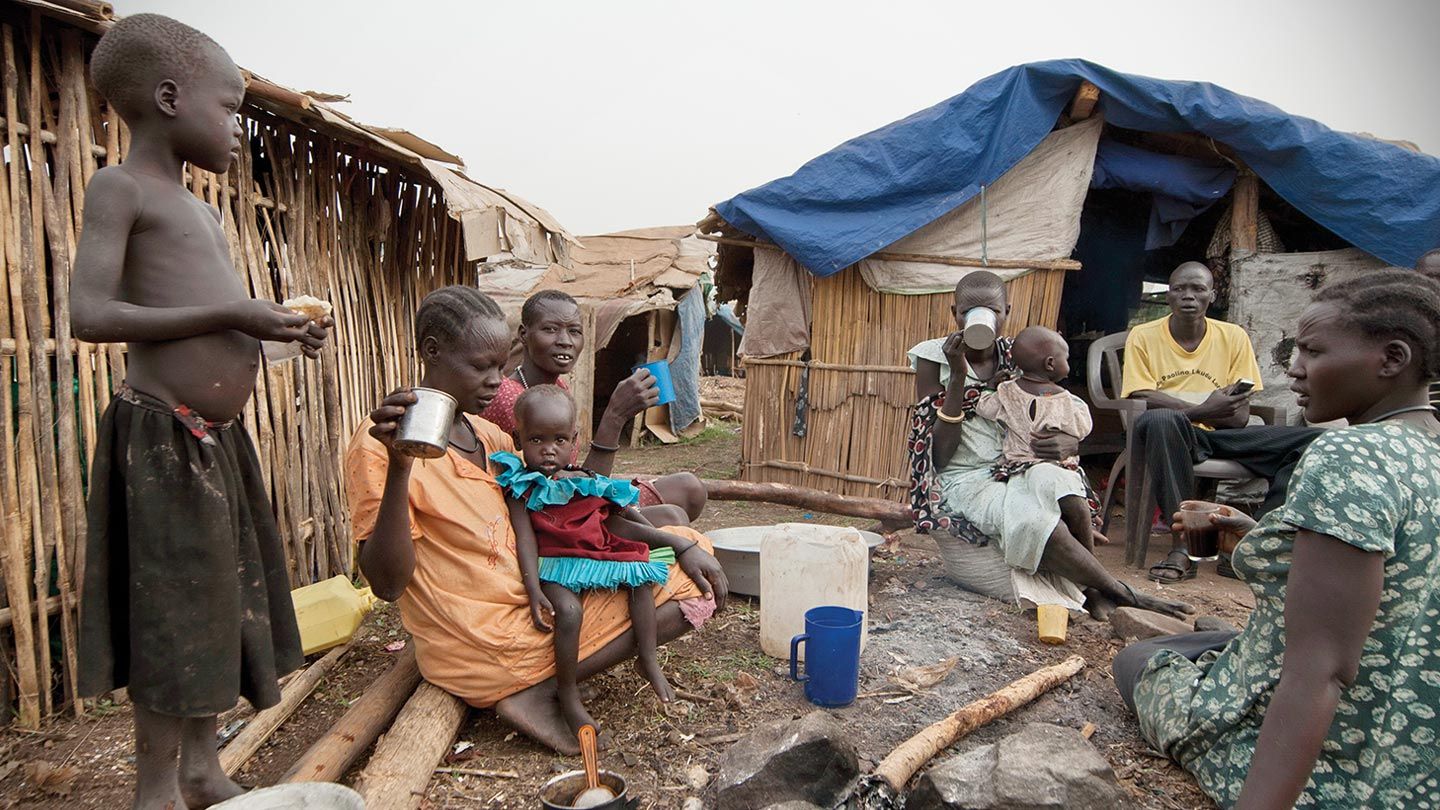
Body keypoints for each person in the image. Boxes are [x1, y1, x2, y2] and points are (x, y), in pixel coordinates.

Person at [69, 15, 332, 810]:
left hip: (215, 439)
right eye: (228, 108)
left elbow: (214, 316)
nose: (236, 128)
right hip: (160, 434)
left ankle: (198, 770)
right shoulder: (122, 188)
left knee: (217, 600)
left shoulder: (204, 211)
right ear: (169, 96)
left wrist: (275, 333)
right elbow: (90, 314)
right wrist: (238, 316)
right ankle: (155, 790)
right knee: (172, 618)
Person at [348, 286, 728, 756]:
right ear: (432, 352)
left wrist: (673, 540)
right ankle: (537, 688)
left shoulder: (488, 435)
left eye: (498, 365)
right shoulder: (377, 446)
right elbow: (386, 584)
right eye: (480, 367)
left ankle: (544, 678)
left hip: (534, 607)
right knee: (691, 586)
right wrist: (402, 464)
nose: (495, 381)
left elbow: (572, 503)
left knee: (688, 545)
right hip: (477, 640)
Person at [1113, 265, 1440, 808]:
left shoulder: (1345, 455)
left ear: (1392, 359)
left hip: (1343, 760)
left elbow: (1324, 671)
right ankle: (1234, 642)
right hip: (1410, 737)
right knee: (1160, 425)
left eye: (1312, 352)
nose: (1294, 369)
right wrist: (1254, 534)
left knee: (1138, 660)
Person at [908, 272, 1188, 620]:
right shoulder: (934, 358)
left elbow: (1058, 406)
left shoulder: (1022, 352)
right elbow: (939, 455)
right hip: (967, 478)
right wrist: (958, 378)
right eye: (968, 311)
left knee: (1066, 491)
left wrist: (1069, 442)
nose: (979, 318)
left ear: (1005, 312)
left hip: (1019, 464)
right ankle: (1119, 592)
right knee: (1041, 525)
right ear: (955, 314)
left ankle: (1090, 588)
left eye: (991, 310)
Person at [496, 385, 698, 735]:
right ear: (518, 438)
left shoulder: (582, 479)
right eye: (536, 440)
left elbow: (616, 517)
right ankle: (567, 693)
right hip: (554, 564)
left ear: (574, 440)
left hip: (594, 555)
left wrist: (668, 542)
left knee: (640, 580)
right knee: (569, 613)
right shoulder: (521, 484)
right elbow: (525, 539)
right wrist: (532, 588)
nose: (548, 451)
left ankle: (647, 658)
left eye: (559, 440)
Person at [1124, 261, 1323, 584]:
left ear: (1212, 296)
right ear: (1168, 296)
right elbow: (1143, 396)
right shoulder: (1143, 336)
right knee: (1160, 419)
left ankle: (1250, 541)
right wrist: (1206, 408)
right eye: (1179, 289)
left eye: (1198, 289)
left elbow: (1239, 415)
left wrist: (1194, 409)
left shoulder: (1233, 337)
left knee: (1315, 441)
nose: (1188, 296)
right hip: (1169, 435)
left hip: (1220, 436)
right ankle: (1184, 548)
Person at [482, 289, 708, 521]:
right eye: (550, 329)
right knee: (672, 515)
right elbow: (558, 495)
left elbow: (570, 474)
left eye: (574, 331)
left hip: (576, 493)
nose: (565, 341)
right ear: (523, 334)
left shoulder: (558, 388)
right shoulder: (512, 399)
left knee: (689, 488)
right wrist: (615, 416)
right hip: (554, 515)